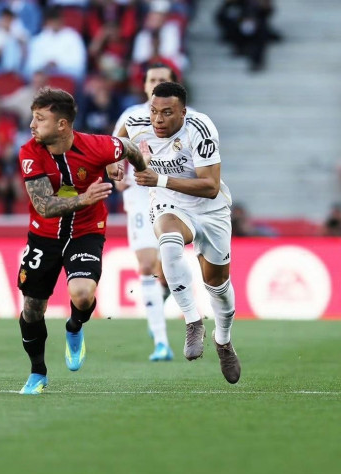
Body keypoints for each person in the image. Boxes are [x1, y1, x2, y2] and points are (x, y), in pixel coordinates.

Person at [15, 87, 144, 395]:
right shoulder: (29, 152)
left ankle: (74, 326)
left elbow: (129, 147)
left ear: (62, 124)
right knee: (32, 308)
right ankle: (38, 372)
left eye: (40, 118)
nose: (32, 125)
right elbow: (44, 206)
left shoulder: (97, 146)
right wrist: (84, 198)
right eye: (33, 117)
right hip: (44, 235)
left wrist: (142, 174)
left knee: (83, 295)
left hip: (86, 231)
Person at [118, 82, 241, 384]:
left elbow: (210, 186)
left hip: (210, 209)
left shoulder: (200, 128)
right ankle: (192, 321)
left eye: (167, 113)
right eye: (154, 112)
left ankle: (223, 341)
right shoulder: (137, 122)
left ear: (183, 112)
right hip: (169, 204)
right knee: (169, 243)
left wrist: (159, 179)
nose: (158, 120)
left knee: (217, 286)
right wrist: (114, 164)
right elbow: (116, 140)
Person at [113, 63, 178, 361]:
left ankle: (157, 307)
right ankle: (161, 342)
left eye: (162, 80)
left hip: (173, 194)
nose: (156, 84)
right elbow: (114, 148)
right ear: (144, 85)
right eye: (152, 79)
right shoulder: (131, 116)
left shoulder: (187, 119)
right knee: (147, 264)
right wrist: (116, 170)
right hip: (140, 194)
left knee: (168, 269)